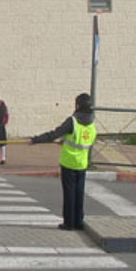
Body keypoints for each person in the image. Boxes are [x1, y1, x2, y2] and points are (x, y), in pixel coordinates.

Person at [29, 92, 97, 231]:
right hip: (82, 163)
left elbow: (54, 134)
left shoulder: (72, 121)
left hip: (69, 163)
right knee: (79, 193)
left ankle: (69, 223)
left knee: (69, 194)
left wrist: (35, 140)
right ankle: (78, 222)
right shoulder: (92, 122)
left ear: (77, 105)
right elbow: (85, 140)